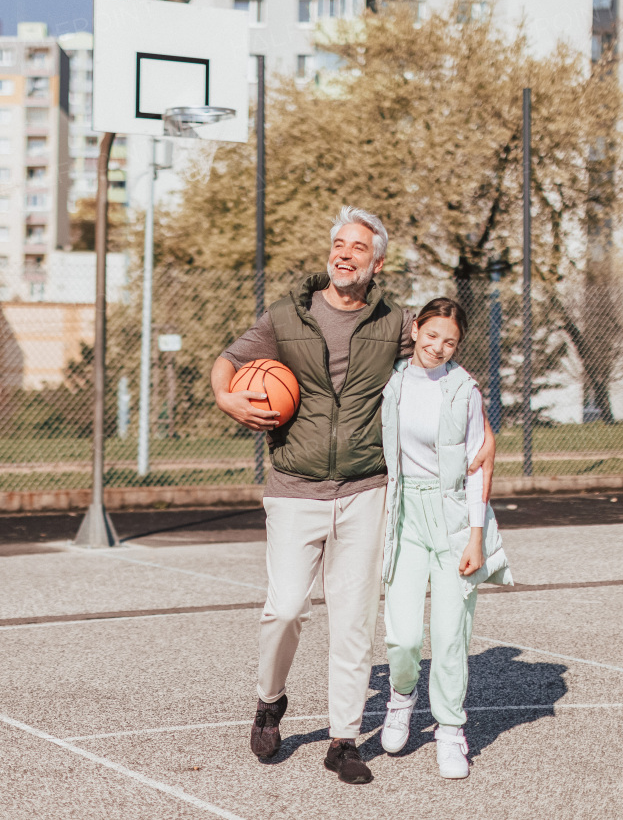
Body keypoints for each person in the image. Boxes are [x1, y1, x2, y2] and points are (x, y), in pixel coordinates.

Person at [211, 207, 496, 785]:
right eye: (338, 243)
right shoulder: (288, 315)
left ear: (376, 263)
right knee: (285, 607)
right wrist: (227, 397)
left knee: (353, 620)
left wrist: (480, 420)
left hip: (366, 489)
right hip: (295, 487)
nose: (344, 253)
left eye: (357, 248)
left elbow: (440, 349)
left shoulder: (395, 321)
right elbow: (230, 360)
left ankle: (344, 739)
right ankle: (271, 699)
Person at [376, 297, 513, 779]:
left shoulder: (464, 390)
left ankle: (451, 730)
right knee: (404, 634)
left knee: (451, 634)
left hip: (453, 516)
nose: (437, 347)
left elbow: (478, 465)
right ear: (415, 329)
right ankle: (400, 698)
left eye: (449, 341)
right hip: (405, 514)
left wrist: (475, 537)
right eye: (431, 335)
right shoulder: (389, 381)